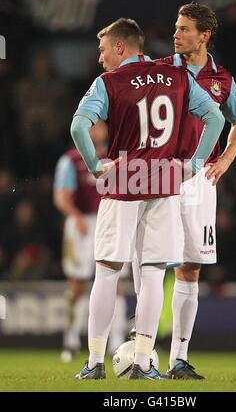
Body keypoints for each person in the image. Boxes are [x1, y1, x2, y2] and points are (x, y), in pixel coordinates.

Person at [70, 17, 225, 380]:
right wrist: (195, 163)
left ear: (120, 47)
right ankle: (142, 362)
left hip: (124, 181)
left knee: (108, 271)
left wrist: (94, 165)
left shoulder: (108, 82)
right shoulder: (178, 76)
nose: (100, 58)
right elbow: (215, 118)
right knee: (153, 272)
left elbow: (78, 126)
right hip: (165, 184)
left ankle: (94, 363)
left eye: (103, 49)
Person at [132, 2, 236, 379]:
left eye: (184, 29)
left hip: (200, 183)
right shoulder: (161, 70)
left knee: (190, 267)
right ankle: (142, 352)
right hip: (161, 174)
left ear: (204, 35)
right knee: (148, 264)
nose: (176, 34)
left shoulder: (222, 80)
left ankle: (179, 359)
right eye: (176, 27)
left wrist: (226, 159)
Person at [53, 121, 127, 362]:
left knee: (115, 281)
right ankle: (71, 339)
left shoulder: (115, 157)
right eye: (92, 127)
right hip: (81, 223)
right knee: (77, 282)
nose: (97, 132)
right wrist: (75, 216)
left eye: (101, 127)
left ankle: (116, 340)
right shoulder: (72, 159)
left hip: (109, 219)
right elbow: (61, 196)